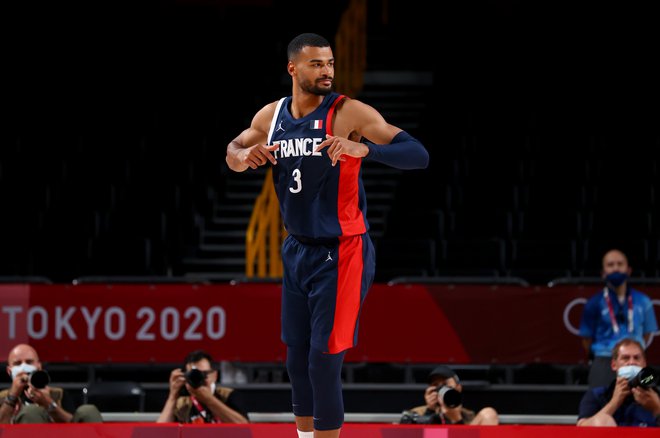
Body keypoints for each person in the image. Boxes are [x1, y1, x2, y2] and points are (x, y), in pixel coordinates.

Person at [225, 33, 429, 438]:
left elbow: (418, 154)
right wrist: (242, 157)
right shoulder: (272, 116)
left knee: (323, 359)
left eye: (330, 63)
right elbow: (233, 148)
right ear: (293, 68)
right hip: (296, 247)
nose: (327, 71)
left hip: (342, 250)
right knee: (295, 359)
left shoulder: (348, 112)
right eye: (317, 64)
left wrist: (366, 151)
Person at [579, 249, 658, 388]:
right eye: (610, 264)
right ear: (603, 273)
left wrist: (634, 349)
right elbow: (586, 339)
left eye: (620, 264)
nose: (615, 268)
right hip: (603, 360)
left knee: (644, 402)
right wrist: (602, 353)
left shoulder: (643, 301)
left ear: (628, 270)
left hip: (636, 361)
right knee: (601, 403)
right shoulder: (593, 303)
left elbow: (647, 333)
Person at [0, 343, 102, 424]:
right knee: (31, 412)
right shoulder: (2, 397)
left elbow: (72, 424)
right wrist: (12, 398)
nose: (23, 367)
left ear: (39, 367)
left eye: (29, 362)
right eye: (17, 363)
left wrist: (49, 403)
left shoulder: (58, 394)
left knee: (88, 411)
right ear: (9, 371)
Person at [577, 338, 660, 427]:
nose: (631, 362)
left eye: (636, 358)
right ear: (614, 365)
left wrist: (657, 408)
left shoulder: (655, 396)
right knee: (603, 420)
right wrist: (614, 402)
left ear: (644, 364)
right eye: (625, 358)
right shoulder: (596, 395)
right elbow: (582, 427)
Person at [157, 350, 249, 424]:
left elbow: (245, 427)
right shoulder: (182, 403)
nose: (200, 379)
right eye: (194, 375)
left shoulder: (229, 395)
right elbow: (159, 433)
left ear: (215, 375)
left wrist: (209, 399)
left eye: (204, 374)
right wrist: (172, 396)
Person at [400, 365, 499, 425]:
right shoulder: (416, 413)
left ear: (458, 388)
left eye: (445, 385)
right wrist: (429, 412)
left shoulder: (468, 415)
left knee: (489, 413)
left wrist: (456, 419)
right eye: (435, 385)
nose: (441, 390)